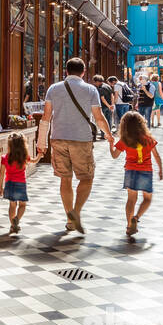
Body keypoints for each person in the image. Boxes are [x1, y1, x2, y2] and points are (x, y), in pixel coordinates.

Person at [41, 57, 114, 234]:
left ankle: (69, 218)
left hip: (58, 138)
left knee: (65, 179)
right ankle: (76, 212)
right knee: (86, 178)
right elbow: (98, 117)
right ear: (83, 72)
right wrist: (108, 134)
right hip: (81, 139)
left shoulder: (53, 89)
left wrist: (41, 143)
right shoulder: (90, 90)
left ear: (66, 71)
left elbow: (45, 117)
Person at [110, 110, 163, 237]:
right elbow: (156, 155)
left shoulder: (124, 140)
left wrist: (111, 144)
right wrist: (161, 170)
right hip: (146, 171)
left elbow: (114, 155)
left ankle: (129, 225)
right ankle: (136, 217)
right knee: (147, 198)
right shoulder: (149, 139)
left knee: (131, 199)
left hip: (130, 171)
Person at [0, 132, 33, 234]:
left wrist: (0, 187)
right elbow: (34, 161)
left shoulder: (5, 158)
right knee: (22, 205)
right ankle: (17, 219)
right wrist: (40, 155)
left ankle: (13, 225)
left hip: (9, 184)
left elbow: (1, 173)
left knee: (12, 205)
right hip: (20, 184)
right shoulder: (24, 157)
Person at [95, 74, 115, 140]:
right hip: (109, 106)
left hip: (104, 106)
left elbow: (102, 99)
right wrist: (112, 105)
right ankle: (109, 134)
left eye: (95, 82)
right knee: (109, 120)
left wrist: (109, 106)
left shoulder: (100, 88)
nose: (95, 84)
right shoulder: (108, 86)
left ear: (98, 81)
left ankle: (103, 135)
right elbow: (112, 95)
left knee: (102, 120)